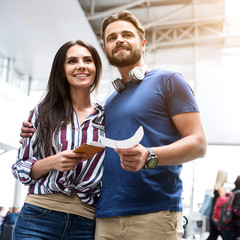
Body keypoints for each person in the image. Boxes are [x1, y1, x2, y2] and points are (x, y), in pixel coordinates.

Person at [20, 10, 207, 240]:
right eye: (111, 37)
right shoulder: (109, 103)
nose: (119, 40)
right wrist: (34, 131)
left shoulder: (168, 81)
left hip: (153, 213)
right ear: (106, 49)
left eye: (127, 34)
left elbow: (198, 144)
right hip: (104, 217)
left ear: (143, 42)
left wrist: (150, 156)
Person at [13, 40, 105, 239]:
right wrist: (53, 162)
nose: (81, 65)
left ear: (95, 68)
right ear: (62, 71)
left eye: (87, 60)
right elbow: (20, 168)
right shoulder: (42, 112)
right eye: (72, 61)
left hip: (85, 223)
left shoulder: (107, 118)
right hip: (38, 217)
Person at [207, 170, 227, 240]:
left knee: (213, 235)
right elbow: (225, 201)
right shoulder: (220, 188)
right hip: (217, 217)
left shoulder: (216, 187)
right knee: (225, 235)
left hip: (213, 215)